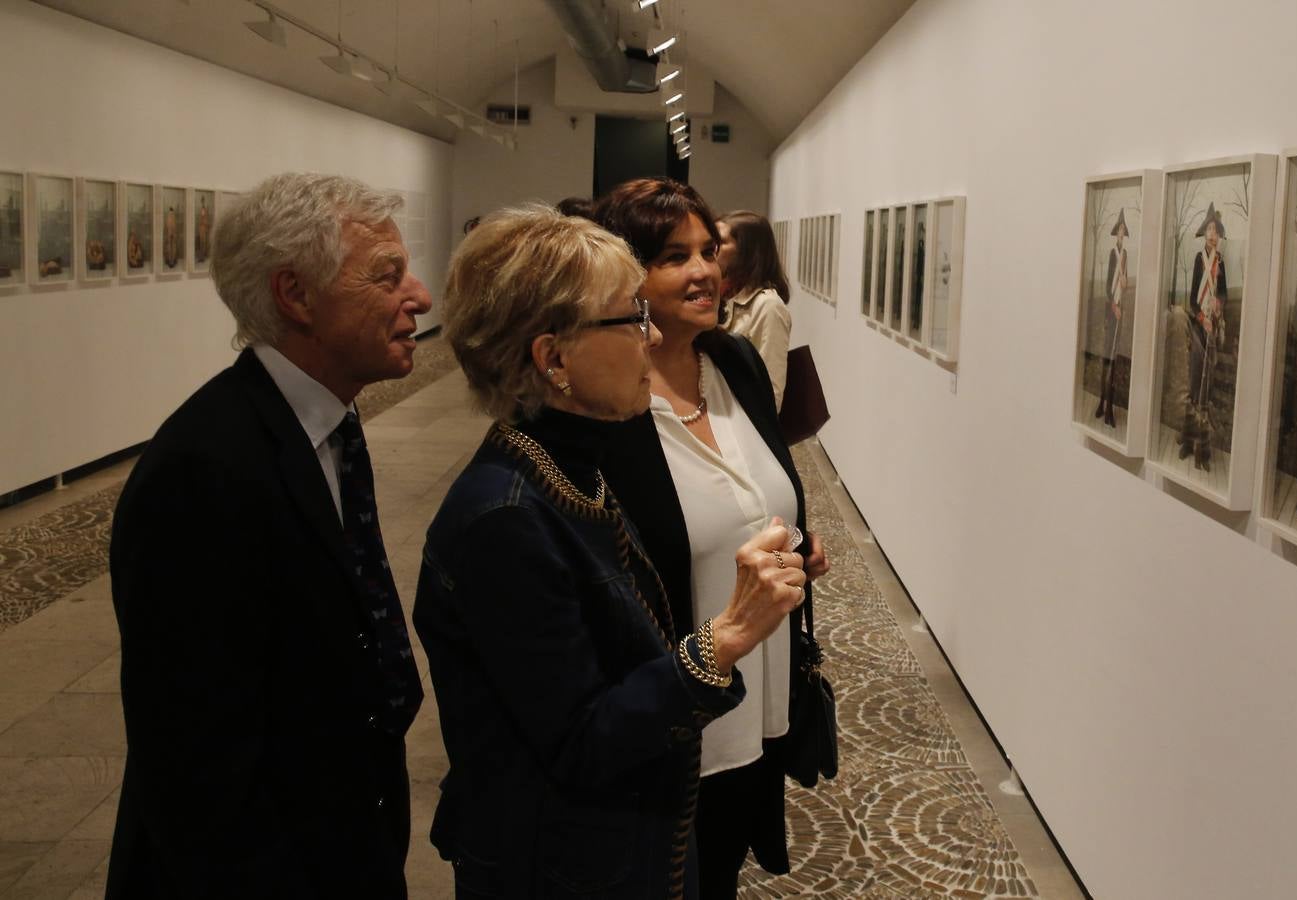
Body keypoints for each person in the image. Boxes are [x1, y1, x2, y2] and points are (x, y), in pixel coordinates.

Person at [413, 205, 806, 898]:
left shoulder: (567, 468)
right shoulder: (504, 519)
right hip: (560, 864)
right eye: (630, 319)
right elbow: (583, 740)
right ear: (553, 358)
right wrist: (725, 637)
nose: (650, 337)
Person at [106, 173, 432, 897]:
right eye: (388, 277)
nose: (420, 297)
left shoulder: (326, 427)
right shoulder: (205, 469)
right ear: (296, 295)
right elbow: (194, 758)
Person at [588, 178, 832, 900]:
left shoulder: (734, 363)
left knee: (719, 873)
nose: (704, 271)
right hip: (670, 719)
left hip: (753, 705)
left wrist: (796, 551)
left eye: (708, 251)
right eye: (673, 256)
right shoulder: (610, 398)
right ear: (623, 274)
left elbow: (759, 495)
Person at [716, 210, 793, 410]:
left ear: (745, 251)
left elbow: (771, 392)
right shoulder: (722, 295)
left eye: (721, 242)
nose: (712, 248)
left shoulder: (768, 307)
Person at [1180, 203, 1226, 470]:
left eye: (1216, 231)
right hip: (1199, 330)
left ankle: (1203, 449)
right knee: (1194, 385)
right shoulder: (1200, 260)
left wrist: (1218, 305)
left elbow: (1223, 294)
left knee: (1206, 391)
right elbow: (1192, 302)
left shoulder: (1221, 263)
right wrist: (1203, 320)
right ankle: (1187, 441)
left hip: (1212, 332)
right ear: (1204, 234)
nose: (1212, 234)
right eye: (1209, 229)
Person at [1092, 210, 1130, 427]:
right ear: (1115, 233)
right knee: (1106, 359)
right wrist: (1113, 306)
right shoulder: (1112, 254)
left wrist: (1124, 285)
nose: (1121, 234)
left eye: (1124, 231)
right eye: (1120, 231)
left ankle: (1110, 411)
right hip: (1111, 313)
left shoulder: (1125, 256)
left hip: (1120, 314)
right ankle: (1101, 402)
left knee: (1114, 362)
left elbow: (1122, 286)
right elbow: (1108, 286)